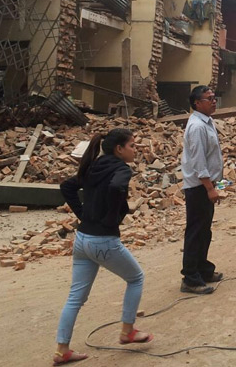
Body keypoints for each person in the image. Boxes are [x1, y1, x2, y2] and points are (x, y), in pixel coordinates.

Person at [55, 128, 151, 366]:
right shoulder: (120, 169)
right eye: (132, 145)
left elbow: (67, 187)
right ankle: (127, 331)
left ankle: (62, 350)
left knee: (75, 298)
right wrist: (111, 217)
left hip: (82, 240)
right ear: (119, 149)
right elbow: (116, 188)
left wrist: (83, 213)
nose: (135, 149)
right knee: (136, 278)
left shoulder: (94, 166)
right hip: (103, 241)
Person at [180, 85, 224, 295]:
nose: (214, 101)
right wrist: (209, 188)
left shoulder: (207, 122)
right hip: (199, 188)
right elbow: (198, 162)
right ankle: (190, 277)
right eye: (209, 98)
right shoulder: (197, 126)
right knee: (196, 231)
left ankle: (203, 269)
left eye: (214, 97)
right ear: (197, 103)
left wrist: (218, 184)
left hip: (207, 186)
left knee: (204, 230)